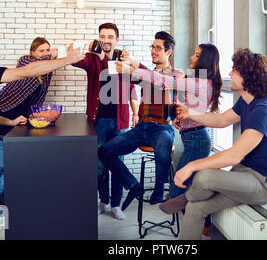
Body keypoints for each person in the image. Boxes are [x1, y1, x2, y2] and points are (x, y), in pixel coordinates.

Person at [159, 48, 267, 240]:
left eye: (234, 70)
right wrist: (190, 113)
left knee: (202, 176)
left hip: (264, 184)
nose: (229, 73)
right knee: (196, 208)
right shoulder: (246, 102)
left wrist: (190, 166)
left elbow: (233, 155)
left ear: (247, 76)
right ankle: (189, 202)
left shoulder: (264, 109)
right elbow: (220, 121)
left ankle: (185, 196)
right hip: (244, 175)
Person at [0, 32, 84, 216]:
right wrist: (68, 59)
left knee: (29, 153)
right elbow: (28, 71)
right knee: (25, 160)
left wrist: (10, 121)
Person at [117, 43, 223, 238]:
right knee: (189, 186)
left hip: (197, 140)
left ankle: (200, 226)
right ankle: (203, 228)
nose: (192, 56)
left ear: (205, 60)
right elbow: (195, 109)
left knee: (177, 189)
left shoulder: (198, 82)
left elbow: (163, 80)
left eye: (197, 54)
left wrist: (133, 68)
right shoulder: (200, 81)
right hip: (194, 137)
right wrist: (182, 121)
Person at [98, 31, 183, 211]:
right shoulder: (146, 73)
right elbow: (127, 78)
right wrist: (121, 64)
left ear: (168, 52)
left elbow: (163, 82)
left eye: (158, 48)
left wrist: (134, 66)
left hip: (162, 127)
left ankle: (160, 187)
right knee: (104, 151)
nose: (153, 51)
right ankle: (133, 185)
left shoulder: (177, 74)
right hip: (142, 127)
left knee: (164, 146)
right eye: (152, 47)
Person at [71, 23, 139, 220]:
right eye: (103, 36)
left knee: (117, 162)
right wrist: (72, 51)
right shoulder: (92, 58)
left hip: (120, 120)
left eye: (110, 37)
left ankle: (116, 204)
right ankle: (104, 200)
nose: (106, 40)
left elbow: (130, 88)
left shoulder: (124, 59)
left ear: (117, 39)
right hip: (98, 120)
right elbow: (76, 62)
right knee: (99, 164)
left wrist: (135, 112)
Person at [0, 37, 58, 135]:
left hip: (21, 112)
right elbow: (37, 66)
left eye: (48, 50)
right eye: (41, 50)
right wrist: (50, 56)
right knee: (0, 137)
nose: (46, 53)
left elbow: (42, 92)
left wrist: (35, 113)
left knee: (17, 141)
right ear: (32, 52)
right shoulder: (26, 61)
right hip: (5, 106)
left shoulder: (47, 70)